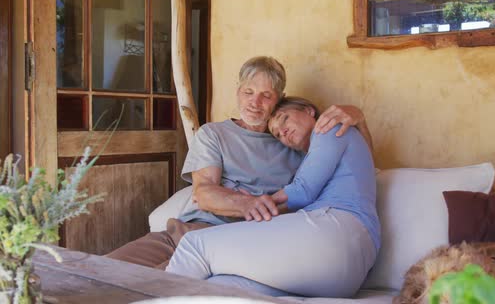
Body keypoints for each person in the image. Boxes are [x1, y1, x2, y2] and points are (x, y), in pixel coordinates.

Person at [106, 57, 372, 274]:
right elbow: (203, 193)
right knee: (101, 271)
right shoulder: (214, 134)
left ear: (279, 99)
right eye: (248, 92)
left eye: (266, 95)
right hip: (184, 233)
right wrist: (246, 204)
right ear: (237, 91)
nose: (254, 103)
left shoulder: (292, 140)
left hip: (239, 246)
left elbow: (360, 165)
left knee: (155, 285)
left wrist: (358, 117)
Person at [166, 97, 379, 298]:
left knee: (194, 246)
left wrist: (257, 202)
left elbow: (303, 190)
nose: (283, 132)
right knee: (219, 286)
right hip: (346, 273)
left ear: (309, 110)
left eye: (285, 118)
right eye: (277, 134)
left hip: (337, 232)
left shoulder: (329, 127)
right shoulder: (321, 152)